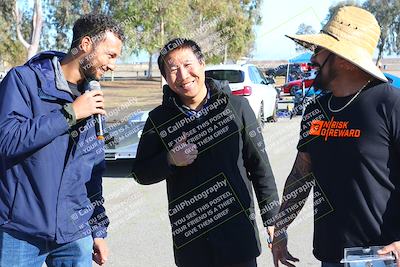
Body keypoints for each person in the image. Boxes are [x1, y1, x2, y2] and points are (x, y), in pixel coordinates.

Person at [132, 38, 279, 267]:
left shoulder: (237, 107)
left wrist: (272, 217)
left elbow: (260, 167)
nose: (183, 75)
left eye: (188, 64)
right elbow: (140, 173)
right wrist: (170, 159)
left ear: (202, 64)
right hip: (192, 243)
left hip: (238, 237)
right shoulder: (159, 119)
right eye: (173, 69)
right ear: (165, 77)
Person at [271, 6, 400, 267]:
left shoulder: (390, 103)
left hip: (383, 257)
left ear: (342, 59)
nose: (313, 59)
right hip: (331, 256)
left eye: (320, 52)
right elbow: (301, 174)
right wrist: (281, 227)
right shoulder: (315, 110)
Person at [0, 14, 124, 266]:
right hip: (20, 231)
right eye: (110, 55)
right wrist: (69, 114)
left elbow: (93, 172)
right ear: (86, 44)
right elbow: (7, 141)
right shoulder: (23, 80)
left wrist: (98, 230)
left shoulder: (92, 97)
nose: (113, 65)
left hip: (74, 233)